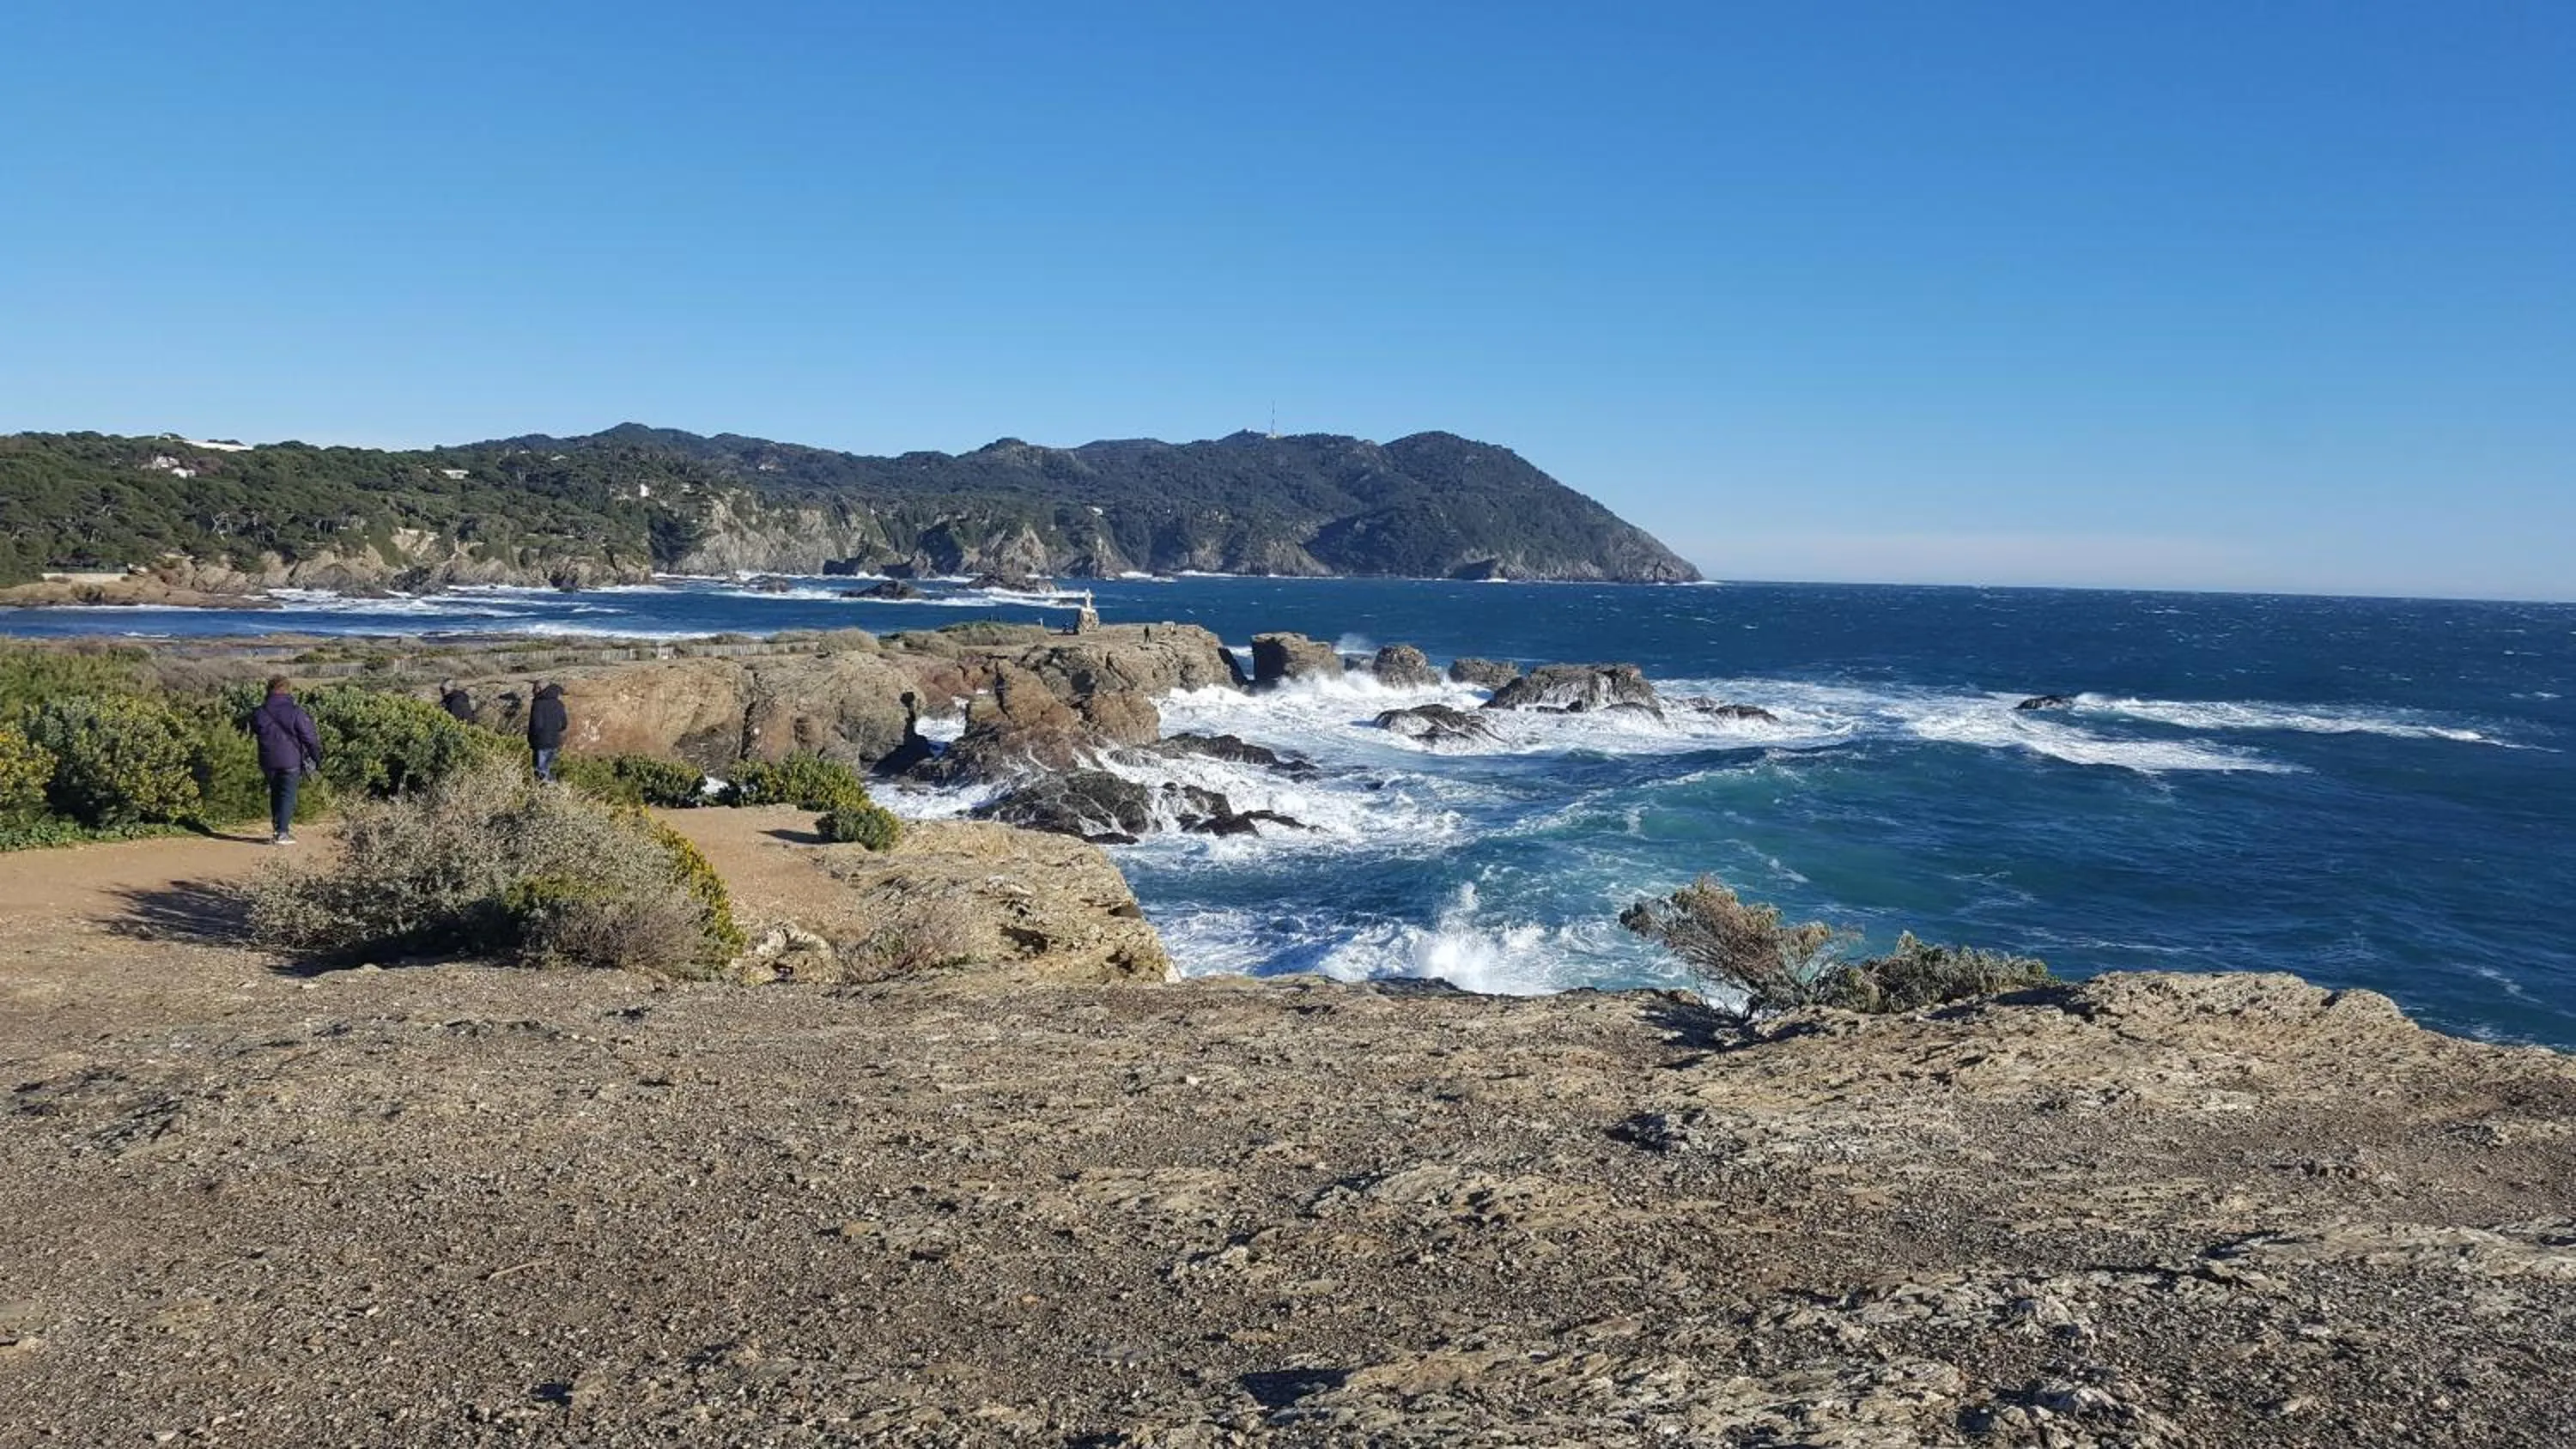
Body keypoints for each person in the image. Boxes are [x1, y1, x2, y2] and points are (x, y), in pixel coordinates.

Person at [249, 676, 321, 846]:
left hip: (267, 759)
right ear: (288, 690)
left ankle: (277, 828)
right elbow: (310, 738)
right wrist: (316, 758)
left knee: (275, 793)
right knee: (288, 795)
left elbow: (253, 732)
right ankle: (282, 832)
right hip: (291, 759)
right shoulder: (296, 712)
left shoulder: (259, 712)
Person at [527, 682, 568, 782]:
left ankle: (541, 791)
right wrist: (555, 731)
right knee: (550, 767)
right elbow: (564, 724)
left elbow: (536, 725)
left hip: (540, 742)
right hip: (554, 741)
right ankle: (551, 791)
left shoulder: (538, 704)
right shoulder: (559, 705)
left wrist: (533, 739)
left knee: (540, 770)